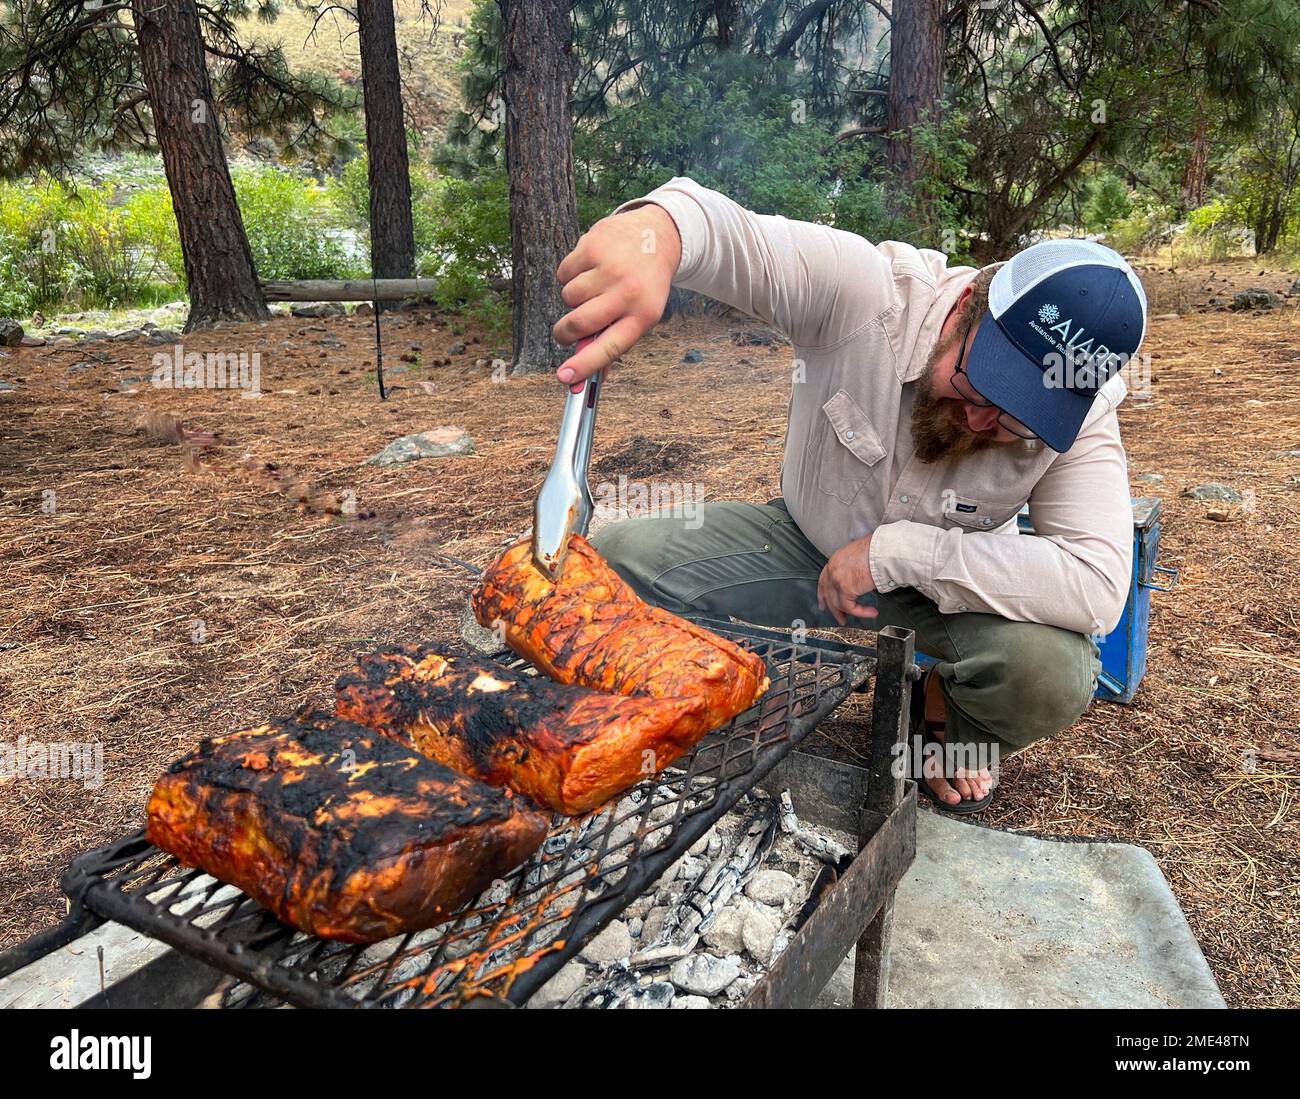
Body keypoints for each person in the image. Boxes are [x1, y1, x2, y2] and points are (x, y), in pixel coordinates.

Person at [550, 177, 1147, 812]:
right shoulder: (870, 293)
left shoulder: (1083, 414)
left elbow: (1099, 586)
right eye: (978, 383)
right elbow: (732, 236)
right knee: (612, 563)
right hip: (807, 545)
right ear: (969, 302)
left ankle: (941, 712)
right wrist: (657, 234)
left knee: (1052, 672)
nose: (980, 421)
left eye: (1016, 417)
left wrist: (896, 554)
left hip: (956, 590)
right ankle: (653, 701)